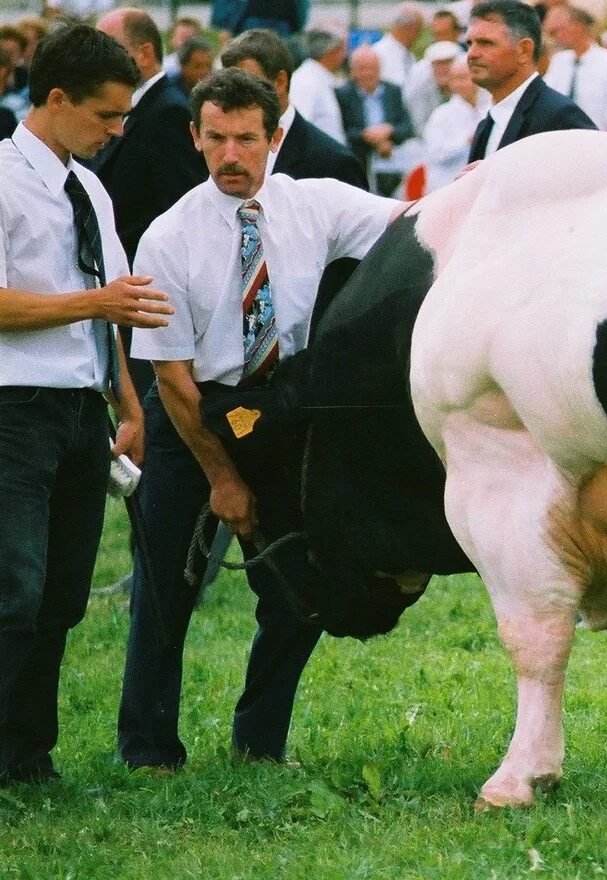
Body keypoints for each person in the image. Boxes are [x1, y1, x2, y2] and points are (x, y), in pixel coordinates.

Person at [119, 68, 401, 772]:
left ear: (276, 137)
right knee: (165, 591)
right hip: (193, 417)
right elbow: (173, 378)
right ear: (195, 136)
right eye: (215, 138)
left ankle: (260, 743)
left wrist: (484, 185)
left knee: (293, 586)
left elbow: (413, 222)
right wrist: (221, 476)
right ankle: (149, 747)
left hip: (276, 413)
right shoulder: (168, 237)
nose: (231, 156)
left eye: (247, 139)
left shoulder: (317, 204)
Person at [0, 24, 171, 787]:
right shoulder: (3, 180)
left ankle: (26, 753)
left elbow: (116, 309)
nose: (116, 131)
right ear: (57, 98)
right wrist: (91, 301)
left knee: (63, 597)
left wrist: (126, 402)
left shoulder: (91, 188)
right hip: (12, 410)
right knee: (14, 591)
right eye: (105, 116)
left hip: (80, 413)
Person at [93, 8, 207, 399]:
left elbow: (180, 205)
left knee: (153, 401)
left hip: (153, 288)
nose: (99, 61)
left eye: (110, 49)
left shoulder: (168, 112)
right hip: (131, 285)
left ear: (143, 53)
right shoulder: (139, 109)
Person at [223, 28, 366, 188]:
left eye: (247, 84)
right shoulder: (217, 150)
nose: (236, 95)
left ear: (280, 82)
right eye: (230, 85)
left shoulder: (334, 162)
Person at [464, 0, 595, 164]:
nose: (472, 54)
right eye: (469, 43)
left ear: (524, 50)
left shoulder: (558, 116)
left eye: (486, 43)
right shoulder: (486, 125)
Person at [337, 45, 416, 194]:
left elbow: (408, 127)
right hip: (360, 162)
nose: (367, 73)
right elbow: (343, 130)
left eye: (372, 68)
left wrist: (389, 132)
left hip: (394, 162)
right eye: (362, 68)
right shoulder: (343, 94)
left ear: (380, 69)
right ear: (352, 71)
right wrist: (367, 136)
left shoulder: (393, 91)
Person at [543, 6, 607, 132]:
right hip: (559, 138)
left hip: (600, 140)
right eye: (552, 33)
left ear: (578, 26)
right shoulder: (558, 61)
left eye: (558, 30)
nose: (555, 37)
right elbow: (547, 100)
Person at [424, 55, 491, 190]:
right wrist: (467, 140)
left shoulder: (488, 110)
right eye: (456, 79)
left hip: (480, 187)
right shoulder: (441, 114)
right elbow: (435, 154)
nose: (461, 84)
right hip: (447, 186)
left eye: (465, 77)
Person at [289, 29, 348, 146]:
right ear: (330, 52)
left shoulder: (321, 79)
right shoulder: (306, 81)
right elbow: (298, 127)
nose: (344, 56)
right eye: (341, 50)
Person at [404, 39, 462, 134]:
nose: (442, 69)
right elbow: (420, 126)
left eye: (447, 63)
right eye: (438, 64)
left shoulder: (469, 85)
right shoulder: (421, 89)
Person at [373, 3, 426, 88]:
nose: (418, 36)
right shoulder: (378, 54)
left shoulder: (409, 56)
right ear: (411, 29)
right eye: (419, 30)